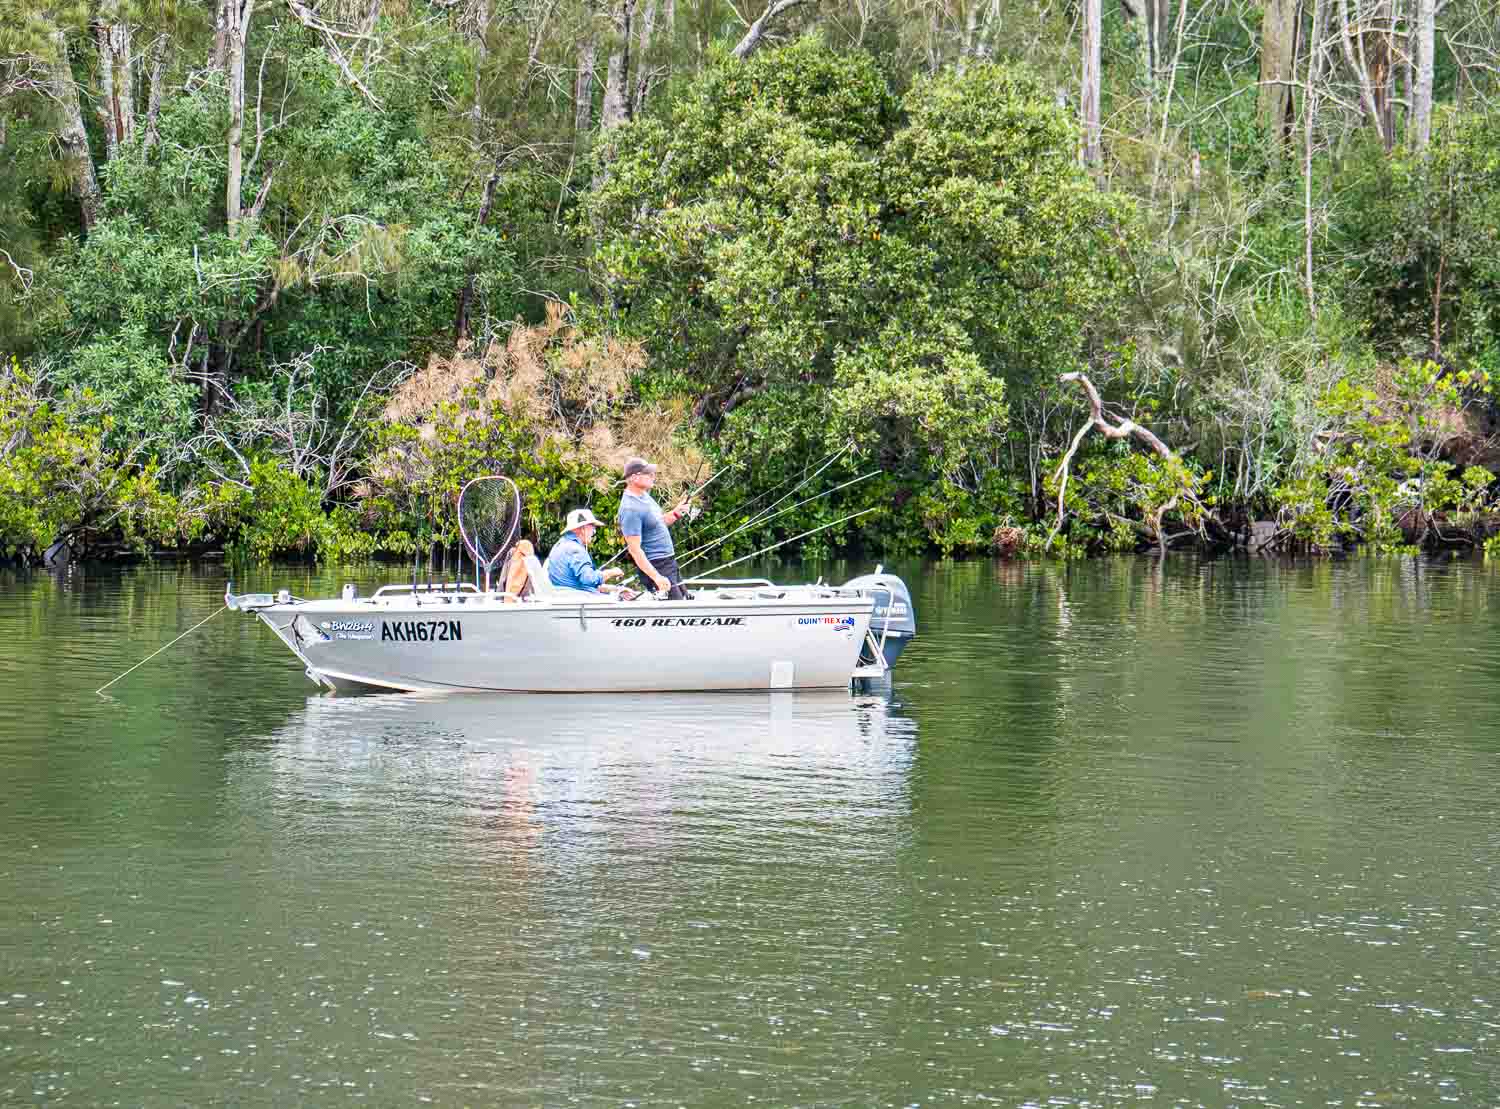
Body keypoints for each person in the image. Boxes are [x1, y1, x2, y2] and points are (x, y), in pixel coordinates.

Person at [617, 457, 693, 599]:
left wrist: (677, 513)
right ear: (634, 478)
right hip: (656, 565)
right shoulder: (630, 509)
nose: (653, 476)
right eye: (648, 473)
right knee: (675, 608)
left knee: (685, 600)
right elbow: (634, 550)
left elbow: (657, 522)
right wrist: (657, 577)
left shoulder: (644, 496)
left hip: (669, 562)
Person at [547, 508, 627, 595]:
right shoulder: (575, 549)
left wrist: (616, 589)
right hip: (579, 599)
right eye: (592, 526)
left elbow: (581, 583)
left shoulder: (559, 544)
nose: (594, 531)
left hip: (566, 595)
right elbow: (589, 579)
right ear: (583, 528)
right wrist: (612, 572)